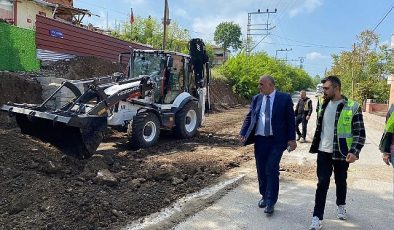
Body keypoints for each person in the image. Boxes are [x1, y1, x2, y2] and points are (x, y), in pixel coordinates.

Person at [308, 75, 366, 230]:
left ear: (336, 88)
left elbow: (360, 132)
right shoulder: (322, 103)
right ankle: (317, 216)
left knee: (341, 181)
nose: (324, 91)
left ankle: (341, 205)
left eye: (326, 88)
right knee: (322, 183)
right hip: (323, 152)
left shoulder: (352, 106)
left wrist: (354, 151)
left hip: (342, 153)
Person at [239, 75, 297, 216]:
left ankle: (271, 201)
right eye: (259, 84)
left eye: (261, 84)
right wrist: (243, 131)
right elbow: (250, 116)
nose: (259, 87)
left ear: (271, 85)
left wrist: (292, 139)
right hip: (260, 140)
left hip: (277, 141)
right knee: (261, 169)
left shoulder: (284, 98)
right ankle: (264, 195)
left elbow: (290, 120)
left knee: (271, 168)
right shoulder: (256, 98)